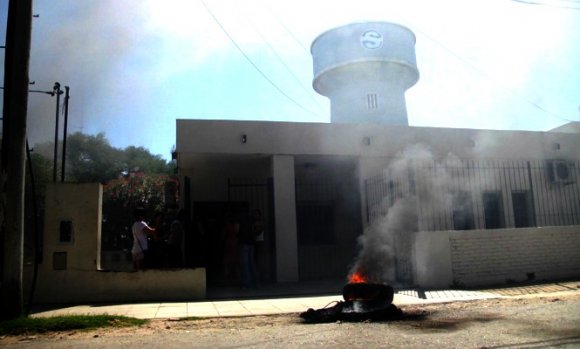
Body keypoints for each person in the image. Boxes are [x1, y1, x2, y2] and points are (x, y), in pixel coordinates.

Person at [238, 211, 257, 288]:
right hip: (251, 242)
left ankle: (247, 283)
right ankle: (255, 282)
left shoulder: (239, 219)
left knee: (244, 263)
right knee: (251, 263)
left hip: (244, 242)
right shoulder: (251, 219)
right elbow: (254, 229)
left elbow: (237, 230)